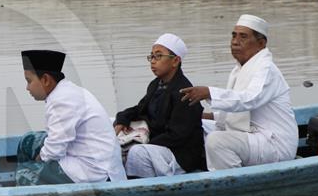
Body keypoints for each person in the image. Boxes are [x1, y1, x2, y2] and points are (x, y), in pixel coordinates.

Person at [179, 14, 297, 171]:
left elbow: (248, 100)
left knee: (217, 141)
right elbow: (231, 115)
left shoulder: (266, 69)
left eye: (243, 37)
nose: (235, 41)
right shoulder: (239, 69)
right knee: (193, 125)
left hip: (274, 143)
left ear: (261, 43)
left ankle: (231, 183)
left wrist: (209, 92)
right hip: (251, 136)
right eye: (234, 36)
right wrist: (199, 115)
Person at [16, 50, 126, 186]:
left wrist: (37, 162)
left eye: (29, 81)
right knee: (28, 141)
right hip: (83, 156)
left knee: (25, 175)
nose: (27, 88)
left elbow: (54, 151)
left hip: (96, 171)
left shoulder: (62, 100)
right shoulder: (64, 91)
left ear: (45, 80)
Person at [115, 33, 206, 178]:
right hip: (159, 143)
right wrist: (121, 120)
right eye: (151, 56)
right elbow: (140, 109)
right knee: (115, 134)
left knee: (137, 152)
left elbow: (178, 135)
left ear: (175, 61)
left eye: (158, 56)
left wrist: (144, 142)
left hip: (180, 154)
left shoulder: (184, 91)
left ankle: (143, 185)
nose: (152, 61)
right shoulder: (156, 85)